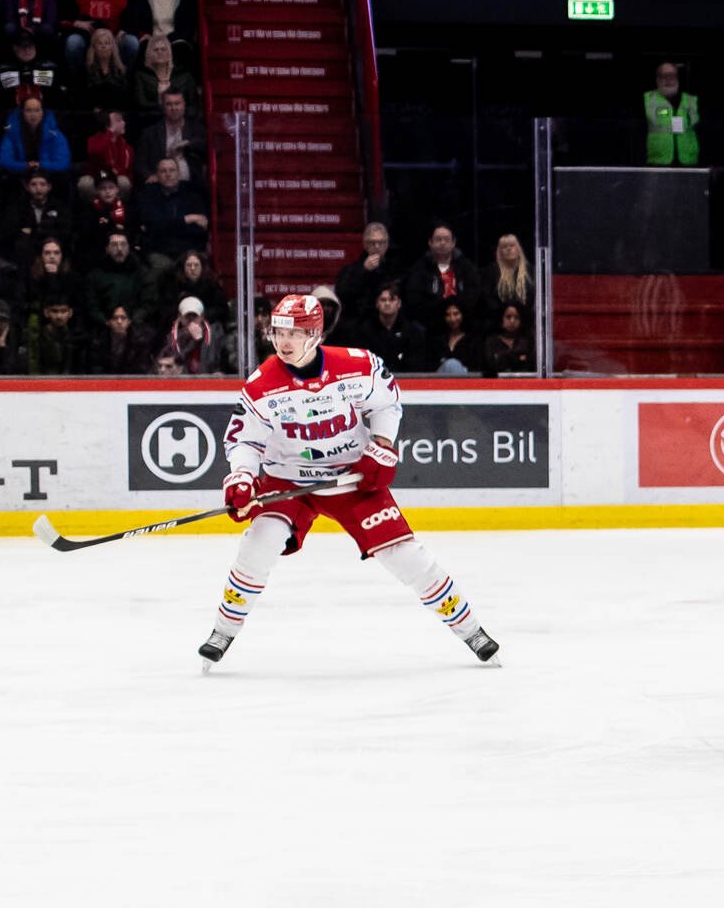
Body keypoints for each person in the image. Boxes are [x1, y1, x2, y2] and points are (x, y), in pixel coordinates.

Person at [197, 293, 501, 670]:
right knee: (261, 543)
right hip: (288, 479)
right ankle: (223, 631)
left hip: (350, 478)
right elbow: (243, 440)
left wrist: (383, 445)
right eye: (278, 333)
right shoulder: (261, 386)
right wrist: (242, 477)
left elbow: (387, 404)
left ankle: (471, 630)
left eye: (294, 333)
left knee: (405, 556)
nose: (284, 342)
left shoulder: (358, 367)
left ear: (316, 334)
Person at [402, 222, 483, 333]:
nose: (442, 243)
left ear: (453, 243)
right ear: (430, 243)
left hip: (462, 322)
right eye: (438, 239)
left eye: (446, 239)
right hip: (430, 325)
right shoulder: (420, 268)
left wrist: (457, 312)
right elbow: (414, 299)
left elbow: (474, 292)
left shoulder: (466, 267)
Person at [357, 281, 429, 374]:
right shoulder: (366, 330)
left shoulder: (412, 331)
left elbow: (415, 365)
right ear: (377, 304)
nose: (387, 303)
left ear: (399, 303)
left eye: (391, 300)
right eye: (383, 300)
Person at [643, 61, 699, 166]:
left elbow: (701, 130)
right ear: (657, 79)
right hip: (658, 162)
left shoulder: (691, 100)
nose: (668, 79)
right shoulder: (648, 99)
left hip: (688, 162)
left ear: (677, 78)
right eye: (664, 75)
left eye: (672, 75)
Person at [480, 302, 535, 376]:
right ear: (501, 319)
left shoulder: (527, 342)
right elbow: (491, 366)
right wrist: (517, 358)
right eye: (508, 317)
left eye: (517, 317)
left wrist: (503, 358)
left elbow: (529, 365)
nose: (512, 321)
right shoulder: (491, 342)